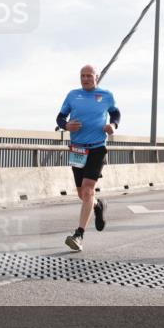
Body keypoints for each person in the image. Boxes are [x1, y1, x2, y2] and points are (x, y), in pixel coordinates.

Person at [56, 64, 120, 251]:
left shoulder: (106, 95)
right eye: (82, 76)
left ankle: (79, 235)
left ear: (96, 77)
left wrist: (113, 126)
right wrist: (66, 126)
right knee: (82, 194)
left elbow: (115, 113)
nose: (85, 79)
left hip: (97, 148)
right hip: (78, 150)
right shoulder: (72, 95)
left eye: (89, 75)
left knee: (88, 189)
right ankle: (98, 206)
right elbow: (60, 117)